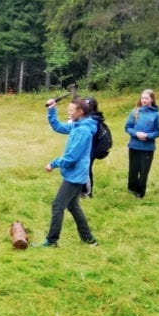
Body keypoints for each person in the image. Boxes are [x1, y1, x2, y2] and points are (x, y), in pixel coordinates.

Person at [35, 97, 99, 248]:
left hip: (75, 175)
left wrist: (54, 163)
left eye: (71, 110)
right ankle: (89, 239)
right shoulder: (77, 125)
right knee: (73, 206)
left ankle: (51, 241)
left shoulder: (83, 130)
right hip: (74, 174)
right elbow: (58, 126)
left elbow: (71, 157)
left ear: (80, 112)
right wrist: (51, 109)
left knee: (58, 206)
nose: (68, 112)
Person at [124, 89, 159, 198]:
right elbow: (128, 127)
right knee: (133, 169)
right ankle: (131, 190)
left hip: (148, 147)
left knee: (144, 170)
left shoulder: (156, 114)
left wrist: (148, 136)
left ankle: (140, 193)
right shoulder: (135, 112)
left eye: (146, 98)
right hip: (134, 145)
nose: (144, 100)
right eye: (142, 98)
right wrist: (136, 134)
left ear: (152, 99)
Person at [83, 97, 106, 198]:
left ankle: (87, 192)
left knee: (86, 169)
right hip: (86, 147)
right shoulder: (89, 118)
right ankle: (82, 190)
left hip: (90, 148)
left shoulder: (93, 120)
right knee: (84, 169)